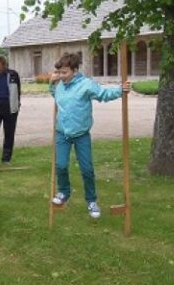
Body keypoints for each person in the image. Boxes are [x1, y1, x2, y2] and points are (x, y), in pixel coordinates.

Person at [49, 52, 130, 219]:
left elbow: (103, 94)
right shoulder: (59, 85)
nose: (61, 76)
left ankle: (91, 201)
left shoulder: (86, 85)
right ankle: (64, 192)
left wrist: (120, 90)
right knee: (61, 165)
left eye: (64, 72)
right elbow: (55, 96)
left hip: (81, 134)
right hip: (62, 133)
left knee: (87, 169)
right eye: (60, 72)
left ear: (75, 70)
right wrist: (51, 84)